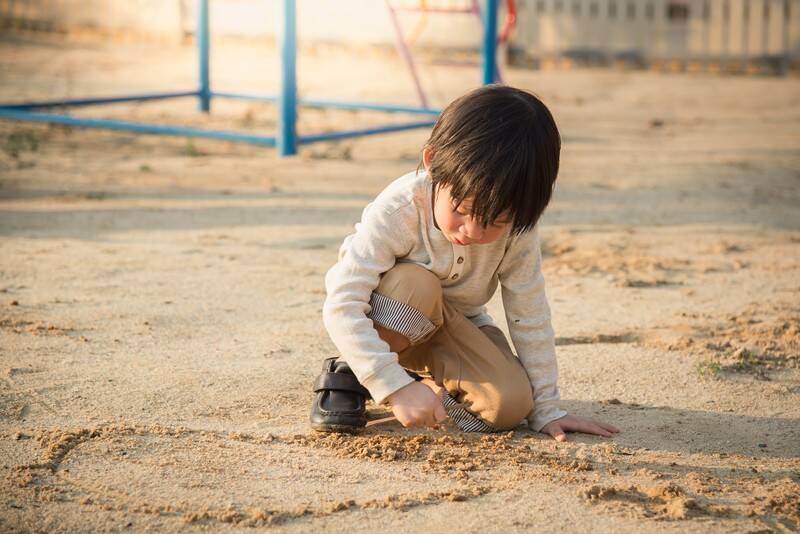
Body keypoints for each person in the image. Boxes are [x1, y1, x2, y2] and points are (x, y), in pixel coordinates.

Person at [309, 84, 619, 441]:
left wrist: (547, 408)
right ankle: (351, 370)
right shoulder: (399, 210)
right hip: (394, 313)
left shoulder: (518, 230)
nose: (472, 230)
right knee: (416, 283)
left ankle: (420, 379)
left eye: (495, 222)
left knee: (510, 408)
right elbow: (342, 302)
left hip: (456, 327)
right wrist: (392, 386)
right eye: (462, 210)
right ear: (432, 164)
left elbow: (529, 314)